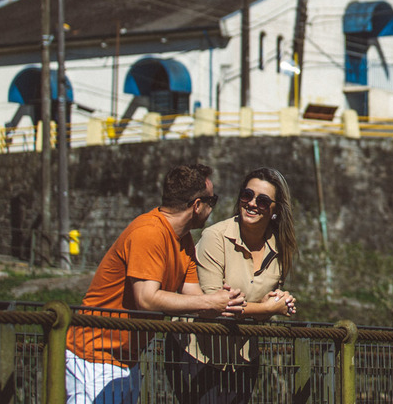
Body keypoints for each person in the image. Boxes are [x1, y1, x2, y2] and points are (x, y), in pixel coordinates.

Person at [66, 163, 245, 404]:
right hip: (93, 356)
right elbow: (147, 298)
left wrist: (225, 302)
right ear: (197, 205)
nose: (212, 209)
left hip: (125, 358)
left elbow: (195, 296)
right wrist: (210, 301)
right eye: (212, 201)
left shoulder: (184, 241)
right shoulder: (149, 232)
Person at [164, 167, 299, 404]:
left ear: (275, 210)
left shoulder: (280, 250)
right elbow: (212, 306)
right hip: (196, 354)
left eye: (263, 200)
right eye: (247, 195)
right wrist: (268, 308)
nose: (252, 203)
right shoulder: (214, 237)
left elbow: (257, 308)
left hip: (243, 359)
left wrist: (279, 302)